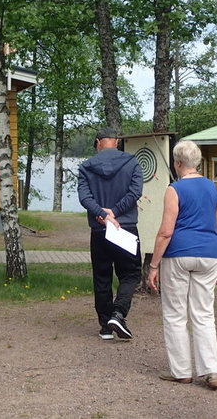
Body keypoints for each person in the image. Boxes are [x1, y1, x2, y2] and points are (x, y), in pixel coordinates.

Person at [147, 140, 217, 389]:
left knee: (175, 313)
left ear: (178, 163)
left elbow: (166, 231)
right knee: (204, 313)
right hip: (209, 254)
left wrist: (153, 265)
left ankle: (181, 370)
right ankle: (212, 371)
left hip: (179, 254)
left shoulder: (175, 189)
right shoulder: (213, 188)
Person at [78, 127, 143, 340]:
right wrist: (114, 212)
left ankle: (106, 326)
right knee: (131, 273)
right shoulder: (132, 163)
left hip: (99, 230)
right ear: (117, 141)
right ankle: (119, 313)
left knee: (102, 276)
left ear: (98, 142)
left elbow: (84, 197)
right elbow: (135, 192)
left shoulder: (86, 167)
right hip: (126, 227)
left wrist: (103, 215)